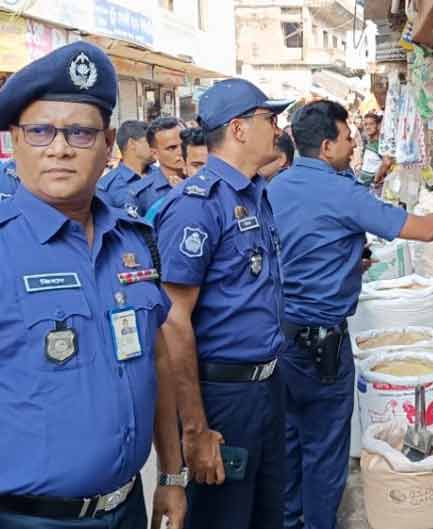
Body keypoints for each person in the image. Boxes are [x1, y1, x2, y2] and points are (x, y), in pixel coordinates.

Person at [0, 42, 186, 529]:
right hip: (21, 520)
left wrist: (172, 475)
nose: (60, 148)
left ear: (108, 144)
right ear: (15, 142)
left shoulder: (133, 240)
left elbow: (157, 358)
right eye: (40, 131)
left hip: (126, 508)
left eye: (80, 133)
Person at [267, 100, 433, 529]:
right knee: (325, 448)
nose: (354, 144)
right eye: (347, 138)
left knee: (288, 441)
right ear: (326, 146)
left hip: (278, 338)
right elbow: (426, 229)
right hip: (322, 342)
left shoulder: (275, 188)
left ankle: (289, 521)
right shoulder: (343, 192)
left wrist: (344, 261)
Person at [156, 78, 290, 529]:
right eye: (269, 119)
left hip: (266, 387)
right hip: (223, 397)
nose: (277, 128)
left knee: (268, 515)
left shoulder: (253, 193)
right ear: (238, 129)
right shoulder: (197, 206)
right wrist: (194, 428)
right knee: (223, 518)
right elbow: (173, 321)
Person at [141, 128, 209, 224]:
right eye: (196, 166)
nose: (204, 172)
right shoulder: (163, 208)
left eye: (212, 165)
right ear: (184, 166)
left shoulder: (233, 201)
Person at [124, 116, 183, 219]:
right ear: (155, 153)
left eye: (184, 144)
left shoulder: (203, 180)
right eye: (172, 148)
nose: (181, 152)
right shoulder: (141, 193)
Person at [99, 120, 154, 207]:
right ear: (132, 143)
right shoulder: (107, 187)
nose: (155, 146)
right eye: (150, 142)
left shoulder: (163, 174)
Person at [355, 113, 390, 190]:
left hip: (371, 187)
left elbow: (387, 162)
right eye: (366, 124)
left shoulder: (380, 143)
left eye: (371, 124)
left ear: (377, 126)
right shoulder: (370, 143)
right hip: (363, 184)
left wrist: (376, 180)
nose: (367, 127)